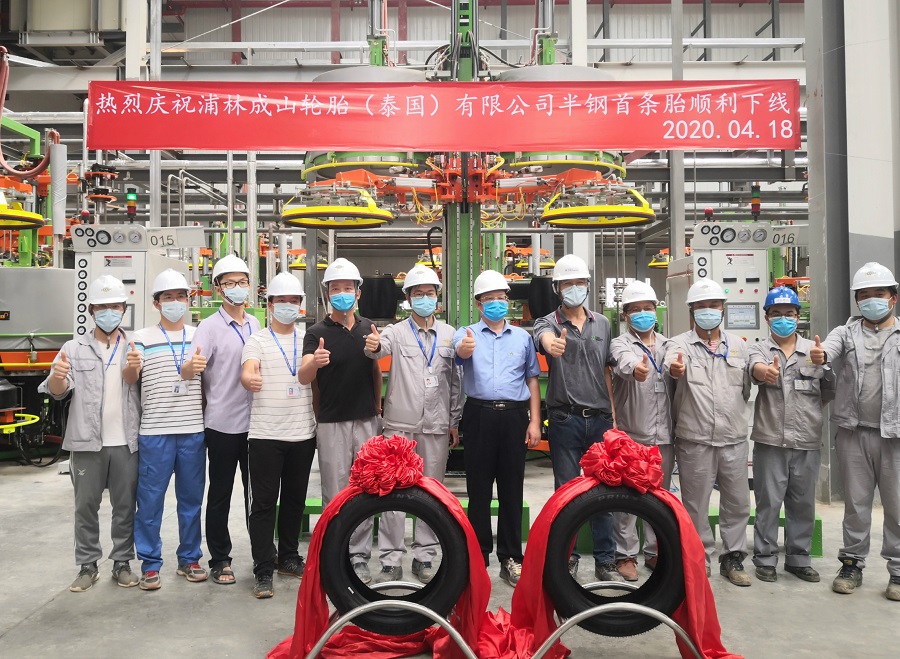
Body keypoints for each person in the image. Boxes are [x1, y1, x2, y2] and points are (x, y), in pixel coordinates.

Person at [39, 275, 142, 591]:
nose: (109, 312)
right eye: (102, 307)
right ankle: (87, 565)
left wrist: (135, 368)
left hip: (126, 442)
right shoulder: (73, 348)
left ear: (123, 309)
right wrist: (57, 376)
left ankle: (122, 562)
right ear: (91, 310)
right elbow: (57, 391)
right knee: (85, 507)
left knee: (125, 506)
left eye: (115, 306)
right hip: (86, 442)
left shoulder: (135, 346)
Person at [364, 265, 463, 584]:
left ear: (438, 298)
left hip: (436, 424)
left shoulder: (449, 334)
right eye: (418, 294)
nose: (424, 298)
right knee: (393, 493)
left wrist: (453, 419)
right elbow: (378, 349)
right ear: (407, 298)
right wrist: (372, 346)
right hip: (400, 426)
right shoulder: (395, 332)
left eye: (429, 293)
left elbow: (456, 381)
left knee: (431, 493)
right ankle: (391, 560)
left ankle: (425, 556)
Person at [811, 262, 900, 601]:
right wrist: (819, 356)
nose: (871, 300)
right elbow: (827, 351)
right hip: (854, 432)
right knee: (856, 505)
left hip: (895, 435)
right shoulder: (845, 333)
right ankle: (851, 564)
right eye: (864, 295)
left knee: (897, 507)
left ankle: (898, 571)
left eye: (879, 293)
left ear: (893, 298)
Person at [533, 254, 621, 582]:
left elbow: (607, 371)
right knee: (566, 493)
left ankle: (605, 560)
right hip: (565, 419)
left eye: (579, 282)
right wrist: (551, 345)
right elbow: (544, 339)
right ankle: (566, 557)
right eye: (567, 283)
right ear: (557, 288)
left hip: (600, 419)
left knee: (604, 491)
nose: (574, 288)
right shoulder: (547, 323)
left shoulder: (603, 324)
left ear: (588, 285)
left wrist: (613, 417)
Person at [453, 269, 541, 587]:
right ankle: (478, 556)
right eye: (489, 299)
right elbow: (458, 353)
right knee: (478, 490)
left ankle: (511, 557)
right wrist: (464, 349)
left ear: (508, 301)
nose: (496, 303)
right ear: (479, 304)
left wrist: (534, 421)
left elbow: (532, 380)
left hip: (514, 417)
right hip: (479, 415)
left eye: (501, 298)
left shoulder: (522, 338)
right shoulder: (466, 334)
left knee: (511, 489)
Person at [298, 257, 382, 585]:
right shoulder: (315, 333)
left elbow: (375, 370)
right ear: (327, 293)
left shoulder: (368, 328)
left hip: (366, 420)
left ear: (358, 293)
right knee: (334, 491)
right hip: (331, 421)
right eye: (336, 289)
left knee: (364, 488)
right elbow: (304, 376)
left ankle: (359, 556)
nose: (342, 294)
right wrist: (315, 362)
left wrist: (377, 409)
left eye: (348, 288)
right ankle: (335, 554)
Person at [665, 278, 753, 586]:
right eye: (701, 306)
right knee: (695, 505)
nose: (708, 311)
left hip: (733, 439)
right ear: (691, 311)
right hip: (695, 439)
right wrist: (675, 369)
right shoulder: (679, 345)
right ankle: (698, 557)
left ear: (723, 308)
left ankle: (733, 557)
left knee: (738, 502)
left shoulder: (740, 346)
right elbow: (671, 364)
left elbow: (747, 385)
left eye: (713, 305)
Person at [749, 286, 832, 584]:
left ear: (798, 316)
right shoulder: (760, 349)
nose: (783, 319)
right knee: (768, 502)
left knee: (803, 503)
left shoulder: (815, 351)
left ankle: (798, 559)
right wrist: (764, 372)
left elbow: (828, 390)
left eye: (789, 314)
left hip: (806, 440)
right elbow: (754, 368)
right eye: (776, 314)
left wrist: (809, 415)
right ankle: (765, 559)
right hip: (770, 440)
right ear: (767, 317)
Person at [240, 273, 317, 599]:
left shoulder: (309, 338)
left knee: (294, 501)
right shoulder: (257, 340)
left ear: (300, 306)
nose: (287, 306)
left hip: (302, 433)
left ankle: (288, 556)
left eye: (293, 301)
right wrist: (249, 379)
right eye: (281, 300)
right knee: (263, 504)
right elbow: (248, 369)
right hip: (266, 435)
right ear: (269, 305)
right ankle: (262, 568)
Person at [132, 268, 208, 590]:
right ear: (156, 303)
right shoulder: (141, 338)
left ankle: (189, 558)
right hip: (155, 431)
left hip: (192, 430)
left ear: (188, 300)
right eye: (168, 297)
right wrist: (130, 368)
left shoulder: (200, 335)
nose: (175, 302)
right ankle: (150, 563)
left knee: (191, 501)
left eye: (180, 296)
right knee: (150, 502)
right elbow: (131, 379)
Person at [190, 255, 261, 585]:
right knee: (220, 493)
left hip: (256, 424)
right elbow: (195, 374)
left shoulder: (256, 325)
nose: (237, 288)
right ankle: (220, 558)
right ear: (218, 289)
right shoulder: (208, 328)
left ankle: (263, 555)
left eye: (242, 282)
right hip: (222, 424)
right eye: (230, 283)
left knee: (256, 495)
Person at [609, 280, 674, 581]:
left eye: (647, 308)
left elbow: (676, 368)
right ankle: (625, 555)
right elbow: (625, 364)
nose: (643, 313)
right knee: (627, 500)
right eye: (635, 310)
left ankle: (654, 551)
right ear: (625, 315)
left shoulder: (669, 345)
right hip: (632, 433)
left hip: (664, 435)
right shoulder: (620, 344)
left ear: (656, 310)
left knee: (659, 497)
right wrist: (637, 369)